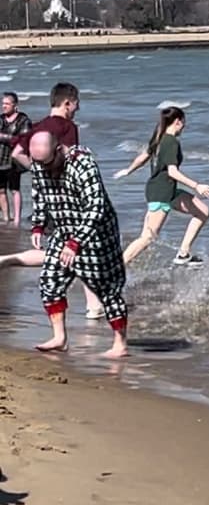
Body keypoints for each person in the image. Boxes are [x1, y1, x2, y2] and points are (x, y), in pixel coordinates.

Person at [25, 131, 129, 358]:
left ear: (58, 149)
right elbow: (39, 195)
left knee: (107, 289)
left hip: (96, 233)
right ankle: (59, 338)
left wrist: (76, 242)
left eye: (46, 160)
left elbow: (96, 206)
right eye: (36, 161)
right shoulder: (38, 164)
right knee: (49, 280)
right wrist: (38, 225)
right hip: (63, 230)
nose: (41, 166)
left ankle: (120, 344)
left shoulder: (82, 163)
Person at [3, 82, 103, 318]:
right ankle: (93, 306)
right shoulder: (67, 127)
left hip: (47, 198)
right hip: (66, 198)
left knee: (64, 248)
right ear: (67, 103)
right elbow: (71, 159)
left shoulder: (38, 127)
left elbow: (17, 153)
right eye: (76, 104)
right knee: (79, 247)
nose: (77, 109)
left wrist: (39, 173)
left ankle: (7, 260)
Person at [115, 107, 209, 266]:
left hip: (168, 191)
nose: (184, 127)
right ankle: (115, 268)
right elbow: (172, 172)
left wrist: (129, 170)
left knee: (203, 211)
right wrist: (196, 186)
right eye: (184, 123)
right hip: (161, 193)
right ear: (177, 121)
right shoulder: (170, 141)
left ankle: (184, 253)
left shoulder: (158, 138)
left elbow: (143, 157)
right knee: (147, 238)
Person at [0, 92, 33, 225]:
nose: (4, 106)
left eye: (7, 104)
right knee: (1, 190)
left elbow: (23, 138)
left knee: (15, 189)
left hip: (15, 159)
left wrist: (4, 137)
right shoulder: (1, 119)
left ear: (15, 105)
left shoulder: (23, 120)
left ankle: (17, 220)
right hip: (0, 158)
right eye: (3, 104)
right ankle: (6, 217)